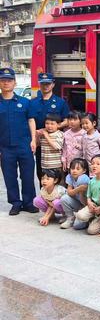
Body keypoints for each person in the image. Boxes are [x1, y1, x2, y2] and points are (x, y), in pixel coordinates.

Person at [0, 67, 37, 215]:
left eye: (9, 80)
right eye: (3, 80)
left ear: (15, 83)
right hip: (5, 147)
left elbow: (31, 120)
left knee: (27, 175)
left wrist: (33, 140)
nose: (6, 83)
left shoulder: (25, 102)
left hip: (24, 145)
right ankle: (15, 203)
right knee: (10, 176)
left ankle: (29, 203)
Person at [31, 72, 69, 181]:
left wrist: (52, 128)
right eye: (43, 84)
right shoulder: (33, 102)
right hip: (40, 143)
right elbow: (30, 120)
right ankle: (44, 197)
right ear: (39, 84)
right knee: (41, 174)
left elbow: (67, 121)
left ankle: (57, 197)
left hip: (55, 142)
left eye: (48, 83)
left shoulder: (60, 102)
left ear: (53, 84)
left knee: (57, 175)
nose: (46, 86)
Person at [74, 155, 100, 234]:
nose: (94, 166)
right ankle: (91, 219)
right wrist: (89, 202)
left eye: (97, 164)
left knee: (91, 231)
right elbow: (88, 196)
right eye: (92, 163)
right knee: (79, 217)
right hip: (92, 207)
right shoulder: (91, 181)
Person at [60, 158, 90, 229]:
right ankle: (70, 218)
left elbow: (85, 202)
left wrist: (80, 191)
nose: (74, 171)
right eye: (72, 168)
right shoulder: (69, 177)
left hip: (85, 205)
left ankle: (88, 220)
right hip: (77, 203)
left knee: (77, 226)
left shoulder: (84, 179)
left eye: (78, 169)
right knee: (64, 198)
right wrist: (79, 189)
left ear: (84, 170)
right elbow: (69, 192)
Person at [40, 113, 65, 181]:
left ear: (58, 125)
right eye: (47, 123)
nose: (49, 126)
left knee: (59, 185)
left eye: (52, 124)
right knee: (47, 184)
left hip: (56, 165)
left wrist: (46, 136)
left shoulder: (60, 134)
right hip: (45, 165)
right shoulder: (43, 134)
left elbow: (56, 147)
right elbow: (38, 144)